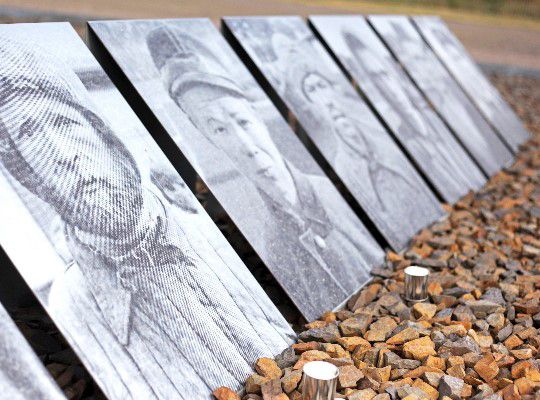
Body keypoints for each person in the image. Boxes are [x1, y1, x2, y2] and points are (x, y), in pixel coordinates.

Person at [0, 36, 291, 399]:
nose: (61, 153)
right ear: (27, 174)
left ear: (101, 134)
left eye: (62, 123)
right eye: (28, 135)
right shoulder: (74, 304)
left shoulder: (198, 225)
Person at [146, 25, 383, 319]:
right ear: (207, 138)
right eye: (218, 129)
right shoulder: (269, 241)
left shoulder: (329, 197)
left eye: (242, 122)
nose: (247, 147)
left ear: (258, 117)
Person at [341, 29, 479, 193]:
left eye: (384, 75)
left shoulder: (443, 118)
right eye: (375, 79)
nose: (388, 88)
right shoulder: (400, 141)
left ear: (395, 73)